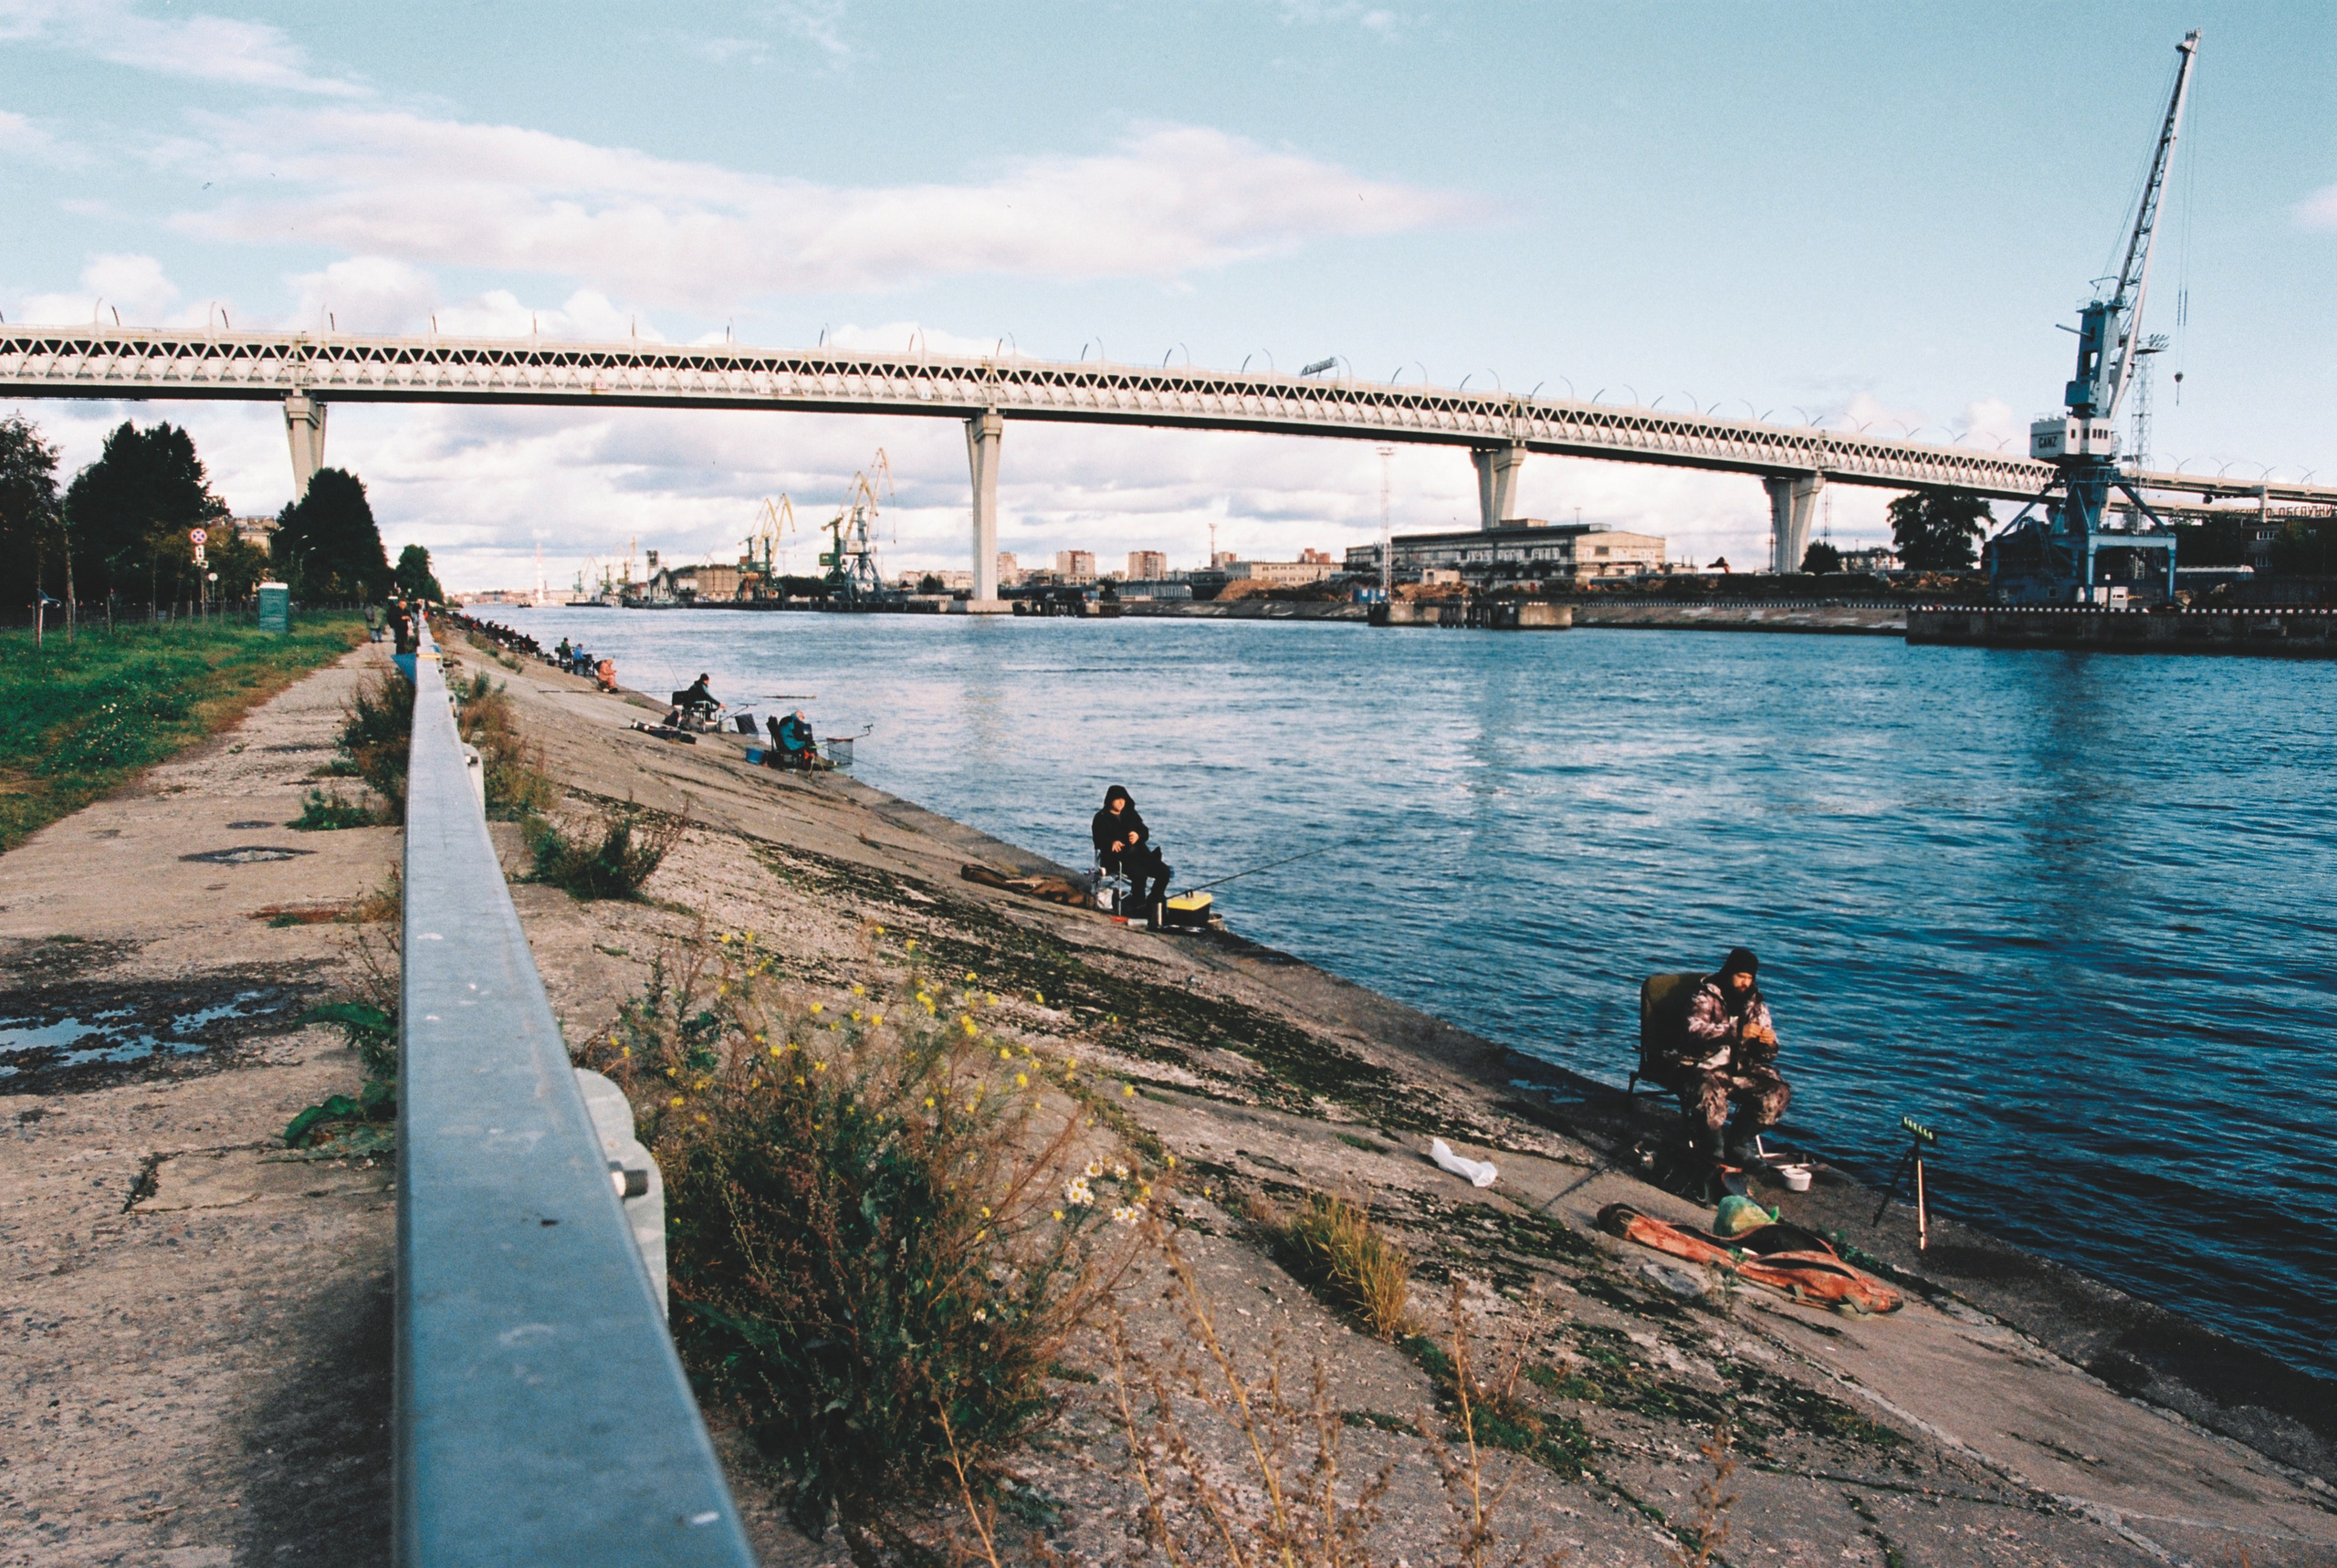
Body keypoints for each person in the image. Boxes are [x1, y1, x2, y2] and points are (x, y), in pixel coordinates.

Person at [1665, 946, 1791, 1166]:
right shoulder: (1706, 996)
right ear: (1729, 973)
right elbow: (1693, 1031)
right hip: (1699, 1066)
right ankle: (1715, 1150)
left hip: (1738, 1069)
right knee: (1708, 1093)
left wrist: (1768, 1044)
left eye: (1749, 978)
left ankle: (1738, 1144)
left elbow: (1767, 1057)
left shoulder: (1756, 1005)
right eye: (1740, 976)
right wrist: (1735, 1033)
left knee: (1777, 1093)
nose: (1745, 982)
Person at [1091, 784, 1171, 917]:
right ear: (1110, 800)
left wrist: (1138, 836)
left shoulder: (1130, 814)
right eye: (1117, 799)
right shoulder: (1101, 817)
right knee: (1140, 875)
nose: (1121, 802)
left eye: (1123, 799)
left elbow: (1144, 831)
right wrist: (1111, 843)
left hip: (1140, 855)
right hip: (1116, 859)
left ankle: (1153, 900)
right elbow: (1098, 839)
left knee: (1164, 871)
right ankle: (1139, 908)